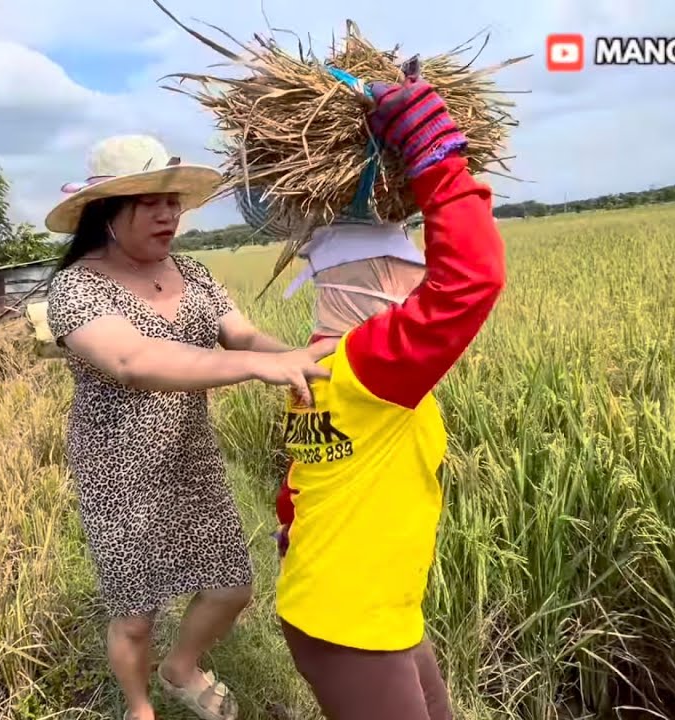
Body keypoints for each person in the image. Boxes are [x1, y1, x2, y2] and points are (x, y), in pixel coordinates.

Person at [242, 73, 508, 719]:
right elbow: (471, 280)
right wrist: (436, 157)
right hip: (349, 620)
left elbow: (304, 473)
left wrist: (292, 528)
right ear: (375, 280)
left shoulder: (316, 364)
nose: (420, 283)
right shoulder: (370, 367)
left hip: (364, 600)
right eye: (411, 272)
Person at [43, 134, 334, 720]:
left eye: (172, 200)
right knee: (136, 612)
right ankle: (139, 706)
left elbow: (245, 336)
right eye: (150, 200)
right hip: (118, 469)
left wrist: (315, 363)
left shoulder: (194, 274)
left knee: (231, 586)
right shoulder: (76, 287)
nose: (168, 213)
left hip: (190, 455)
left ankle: (181, 667)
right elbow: (133, 361)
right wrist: (256, 367)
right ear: (105, 212)